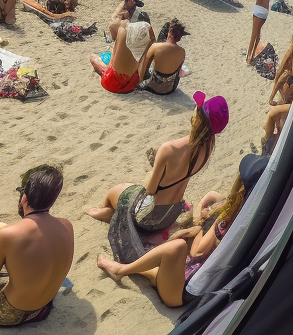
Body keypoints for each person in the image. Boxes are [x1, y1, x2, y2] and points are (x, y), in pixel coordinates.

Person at [97, 155, 264, 307]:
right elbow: (213, 195)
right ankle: (148, 272)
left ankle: (120, 270)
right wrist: (200, 217)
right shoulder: (245, 214)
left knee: (176, 247)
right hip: (183, 278)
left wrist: (197, 230)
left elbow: (197, 251)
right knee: (164, 247)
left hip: (183, 291)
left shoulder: (225, 224)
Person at [85, 91, 228, 260]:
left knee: (115, 192)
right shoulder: (209, 146)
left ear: (199, 116)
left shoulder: (170, 148)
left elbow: (150, 189)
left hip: (148, 217)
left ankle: (104, 213)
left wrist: (154, 170)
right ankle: (108, 214)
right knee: (126, 194)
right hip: (170, 215)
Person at [0, 165, 74, 325]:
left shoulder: (7, 235)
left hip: (9, 315)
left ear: (24, 198)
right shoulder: (66, 226)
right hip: (43, 308)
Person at [90, 19, 153, 93]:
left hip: (113, 84)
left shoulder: (122, 35)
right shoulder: (147, 45)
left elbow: (112, 64)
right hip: (131, 84)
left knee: (93, 57)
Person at [139, 19, 187, 95]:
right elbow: (178, 72)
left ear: (170, 33)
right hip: (170, 89)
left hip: (153, 87)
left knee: (145, 58)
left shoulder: (155, 47)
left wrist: (141, 81)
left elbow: (144, 67)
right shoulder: (182, 51)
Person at [247, 0, 279, 64]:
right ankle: (252, 55)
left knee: (253, 34)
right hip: (265, 11)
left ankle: (248, 58)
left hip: (257, 8)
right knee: (258, 34)